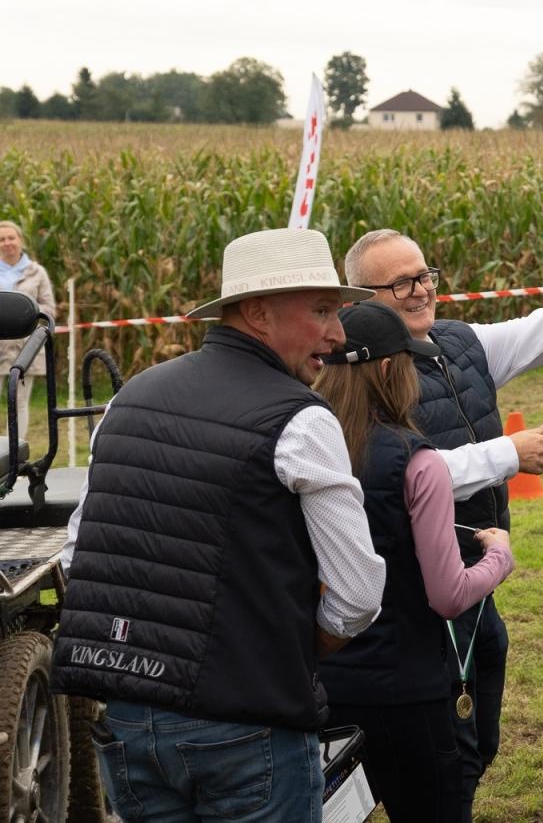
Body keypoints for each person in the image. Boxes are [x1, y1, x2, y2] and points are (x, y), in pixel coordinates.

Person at [52, 227, 387, 822]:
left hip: (129, 723)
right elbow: (357, 596)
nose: (338, 334)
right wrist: (286, 649)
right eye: (322, 311)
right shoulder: (302, 419)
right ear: (258, 313)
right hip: (248, 727)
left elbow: (80, 556)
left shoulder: (127, 401)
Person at [342, 227, 543, 820]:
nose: (420, 291)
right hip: (415, 591)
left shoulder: (459, 343)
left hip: (473, 575)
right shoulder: (359, 374)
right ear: (359, 298)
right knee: (442, 748)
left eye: (425, 275)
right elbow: (398, 473)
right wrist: (505, 456)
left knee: (477, 726)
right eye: (400, 283)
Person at [313, 301, 515, 823]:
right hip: (408, 694)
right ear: (387, 369)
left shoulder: (301, 449)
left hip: (322, 686)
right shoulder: (416, 461)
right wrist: (497, 558)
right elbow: (447, 595)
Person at [0, 219, 55, 437]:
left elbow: (49, 308)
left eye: (11, 238)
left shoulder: (37, 272)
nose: (7, 243)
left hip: (26, 347)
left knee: (19, 402)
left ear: (21, 240)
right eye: (1, 239)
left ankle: (15, 454)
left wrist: (24, 313)